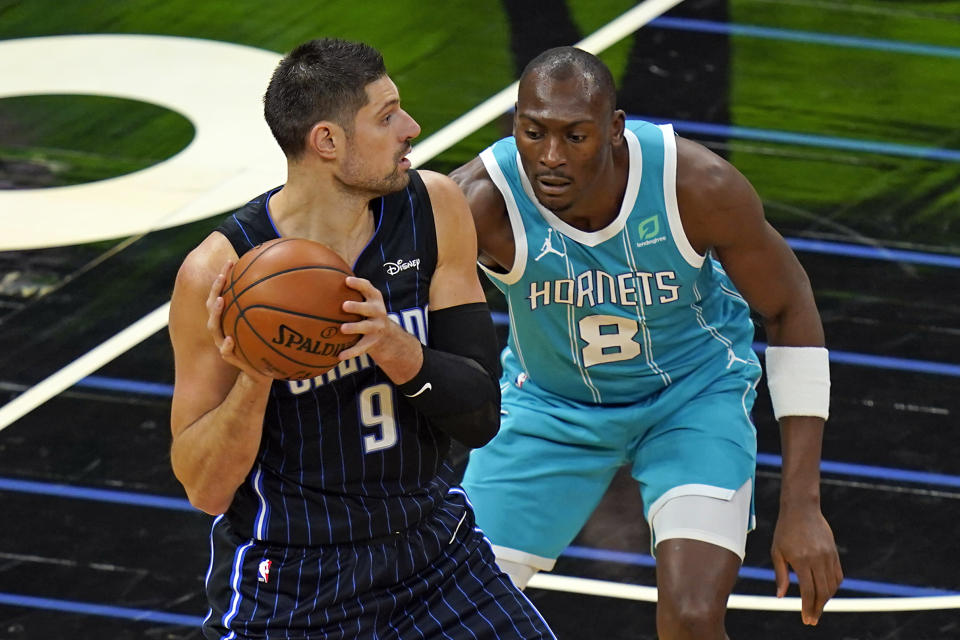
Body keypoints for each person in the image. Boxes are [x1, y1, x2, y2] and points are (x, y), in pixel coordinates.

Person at [168, 38, 554, 640]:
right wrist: (258, 374)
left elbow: (480, 416)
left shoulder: (435, 207)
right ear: (327, 141)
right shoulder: (218, 274)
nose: (411, 127)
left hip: (433, 548)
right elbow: (205, 489)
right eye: (386, 115)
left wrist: (391, 343)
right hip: (296, 576)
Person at [451, 46, 843, 639]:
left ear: (614, 129)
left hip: (692, 398)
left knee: (691, 616)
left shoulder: (697, 185)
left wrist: (803, 505)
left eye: (575, 136)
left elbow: (789, 307)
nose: (551, 158)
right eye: (533, 133)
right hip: (549, 408)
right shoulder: (480, 202)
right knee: (453, 615)